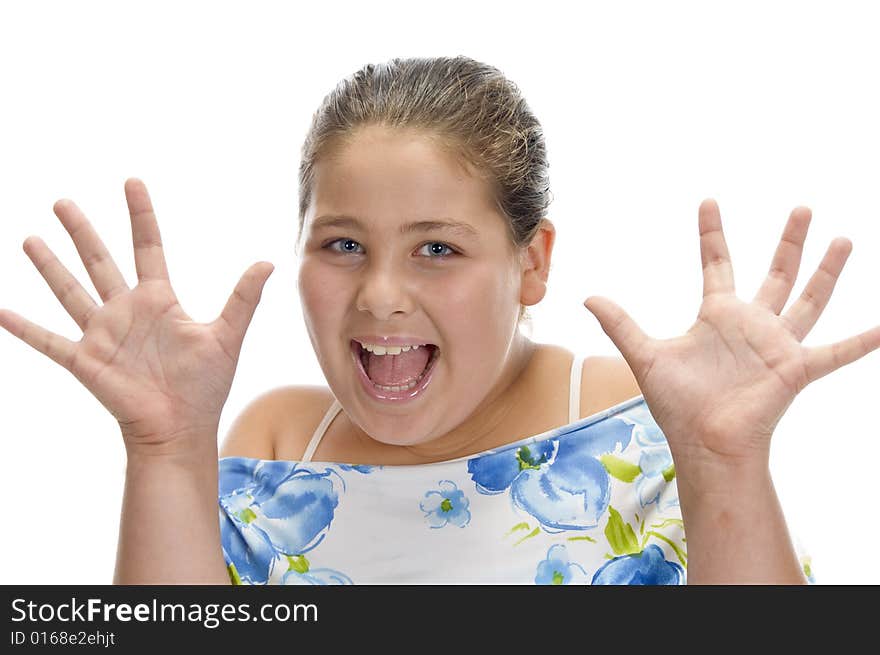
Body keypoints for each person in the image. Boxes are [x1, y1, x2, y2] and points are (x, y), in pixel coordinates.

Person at [1, 56, 875, 585]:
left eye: (438, 250)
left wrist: (726, 464)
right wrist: (164, 451)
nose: (381, 293)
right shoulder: (273, 441)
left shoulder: (646, 423)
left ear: (530, 263)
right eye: (343, 244)